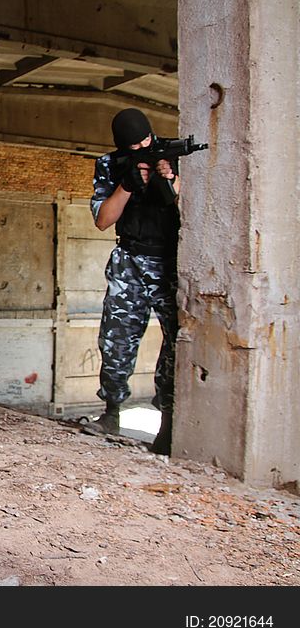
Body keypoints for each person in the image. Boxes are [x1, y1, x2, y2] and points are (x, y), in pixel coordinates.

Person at [80, 108, 180, 456]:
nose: (143, 147)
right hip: (129, 261)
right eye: (134, 145)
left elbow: (192, 206)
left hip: (170, 262)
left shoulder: (172, 153)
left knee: (177, 342)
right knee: (116, 339)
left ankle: (167, 425)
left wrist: (169, 180)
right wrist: (127, 185)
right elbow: (103, 220)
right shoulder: (111, 165)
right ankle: (111, 413)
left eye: (146, 141)